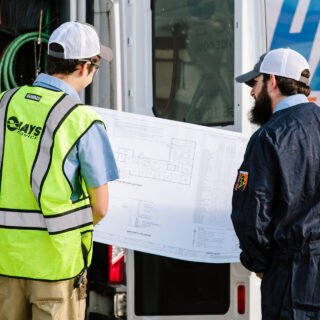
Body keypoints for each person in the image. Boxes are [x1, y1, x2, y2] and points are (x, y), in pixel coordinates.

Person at [0, 21, 119, 319]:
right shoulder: (81, 121)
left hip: (5, 259)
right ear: (84, 68)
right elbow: (100, 207)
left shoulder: (5, 103)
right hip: (57, 266)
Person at [231, 48, 320, 320]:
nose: (251, 93)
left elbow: (251, 212)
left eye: (254, 84)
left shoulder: (269, 136)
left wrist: (258, 261)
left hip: (292, 278)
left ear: (271, 81)